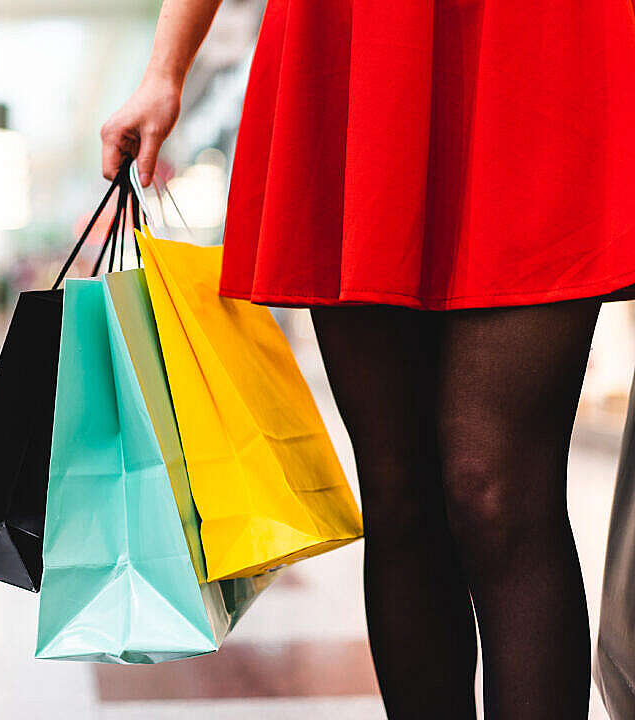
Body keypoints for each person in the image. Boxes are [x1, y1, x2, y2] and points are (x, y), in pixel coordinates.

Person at [100, 1, 635, 718]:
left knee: (497, 491)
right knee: (398, 494)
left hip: (540, 37)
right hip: (355, 39)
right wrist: (165, 68)